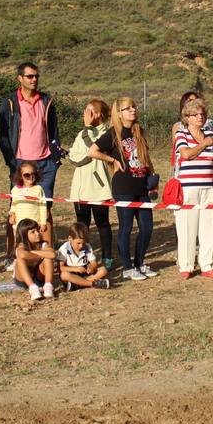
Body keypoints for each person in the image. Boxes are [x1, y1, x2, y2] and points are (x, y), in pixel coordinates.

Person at [89, 97, 157, 281]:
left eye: (134, 107)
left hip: (142, 186)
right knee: (126, 227)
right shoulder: (112, 134)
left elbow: (145, 156)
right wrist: (112, 160)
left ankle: (140, 263)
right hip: (123, 187)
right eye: (128, 108)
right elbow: (92, 151)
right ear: (119, 113)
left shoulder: (138, 131)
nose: (133, 110)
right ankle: (127, 267)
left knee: (147, 227)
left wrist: (153, 176)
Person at [0, 61, 63, 217]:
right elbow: (2, 135)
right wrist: (11, 161)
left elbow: (54, 131)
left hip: (46, 163)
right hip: (21, 163)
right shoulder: (10, 103)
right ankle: (15, 242)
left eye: (36, 76)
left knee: (45, 210)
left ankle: (46, 242)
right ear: (20, 78)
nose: (34, 79)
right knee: (17, 210)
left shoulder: (46, 101)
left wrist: (55, 158)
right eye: (30, 76)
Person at [172, 97, 213, 279]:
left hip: (209, 187)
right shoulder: (181, 134)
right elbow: (185, 154)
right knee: (187, 226)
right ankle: (186, 266)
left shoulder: (211, 135)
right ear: (187, 117)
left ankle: (208, 265)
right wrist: (203, 144)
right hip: (188, 187)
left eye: (202, 114)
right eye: (195, 114)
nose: (200, 117)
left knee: (209, 226)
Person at [67, 98, 114, 269]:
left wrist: (88, 150)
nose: (85, 115)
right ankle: (82, 256)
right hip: (80, 186)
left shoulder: (107, 133)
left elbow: (93, 147)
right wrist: (86, 155)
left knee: (102, 222)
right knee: (82, 223)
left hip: (98, 187)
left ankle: (107, 257)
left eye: (89, 111)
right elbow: (73, 155)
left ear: (98, 114)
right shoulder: (83, 132)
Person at [9, 161, 52, 252]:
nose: (31, 177)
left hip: (34, 223)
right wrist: (12, 214)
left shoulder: (38, 189)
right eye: (27, 175)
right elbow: (13, 203)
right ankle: (18, 261)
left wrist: (43, 222)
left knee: (35, 244)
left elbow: (42, 205)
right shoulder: (15, 189)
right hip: (19, 224)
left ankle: (35, 261)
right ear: (21, 176)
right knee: (19, 244)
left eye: (33, 174)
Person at [13, 217, 56, 301]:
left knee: (48, 258)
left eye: (37, 230)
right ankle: (33, 288)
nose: (37, 233)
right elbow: (21, 254)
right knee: (20, 260)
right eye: (33, 232)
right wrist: (41, 254)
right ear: (25, 235)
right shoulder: (21, 245)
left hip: (38, 277)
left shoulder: (43, 244)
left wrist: (32, 253)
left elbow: (52, 254)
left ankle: (48, 286)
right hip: (23, 280)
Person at [57, 223, 110, 291]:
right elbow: (60, 268)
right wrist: (75, 269)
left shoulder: (87, 247)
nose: (81, 246)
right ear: (70, 238)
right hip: (71, 273)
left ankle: (77, 284)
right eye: (78, 243)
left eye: (83, 243)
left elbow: (94, 263)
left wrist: (92, 268)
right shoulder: (64, 248)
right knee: (64, 275)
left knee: (103, 270)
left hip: (85, 274)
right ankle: (92, 284)